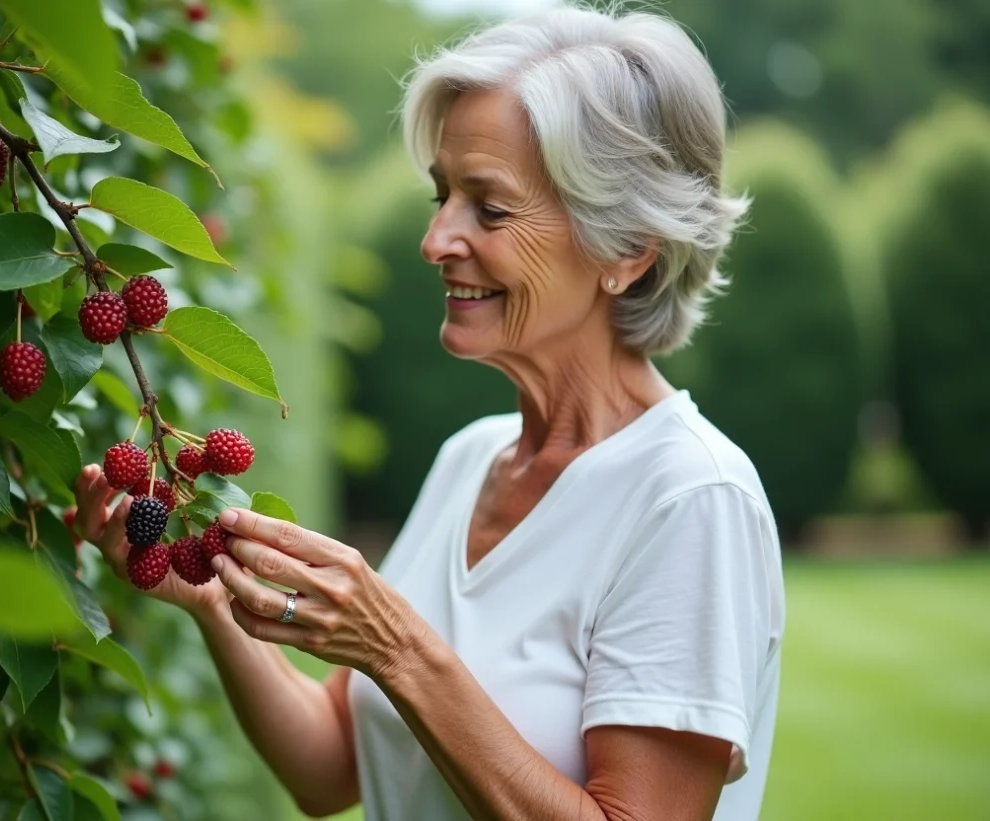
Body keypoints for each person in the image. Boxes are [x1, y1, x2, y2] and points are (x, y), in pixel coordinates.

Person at [73, 5, 785, 819]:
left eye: (489, 207)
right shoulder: (471, 459)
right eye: (443, 194)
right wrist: (207, 601)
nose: (436, 236)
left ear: (625, 249)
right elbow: (331, 767)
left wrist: (397, 645)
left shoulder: (690, 498)